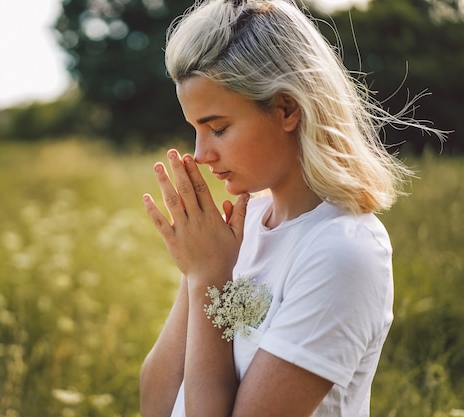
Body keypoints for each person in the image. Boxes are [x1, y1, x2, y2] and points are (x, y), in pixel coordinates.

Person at [139, 0, 446, 416]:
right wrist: (199, 272)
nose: (200, 154)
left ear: (286, 109)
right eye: (195, 130)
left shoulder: (342, 251)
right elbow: (156, 404)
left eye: (218, 128)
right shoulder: (240, 230)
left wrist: (210, 279)